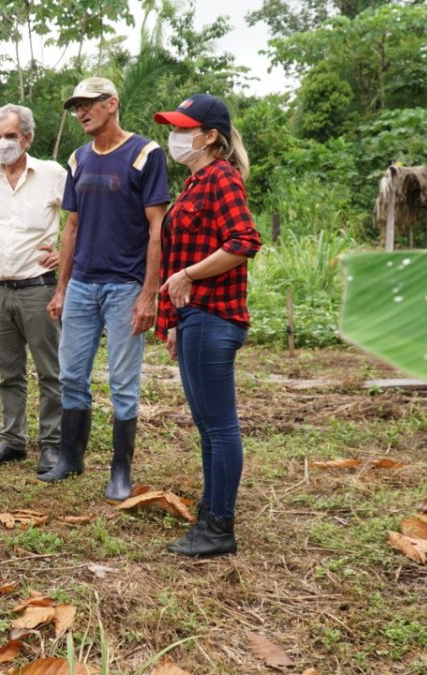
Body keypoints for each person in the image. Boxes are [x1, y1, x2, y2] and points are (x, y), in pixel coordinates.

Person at [40, 77, 171, 502]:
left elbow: (157, 229)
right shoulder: (78, 159)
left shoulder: (144, 154)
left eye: (89, 104)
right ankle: (71, 457)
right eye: (76, 106)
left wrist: (148, 295)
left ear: (112, 104)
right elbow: (71, 227)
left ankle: (120, 470)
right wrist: (61, 289)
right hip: (81, 285)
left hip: (124, 286)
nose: (81, 112)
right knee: (72, 374)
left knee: (122, 381)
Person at [153, 94, 261, 557]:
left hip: (215, 315)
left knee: (219, 427)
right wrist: (176, 320)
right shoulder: (195, 184)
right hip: (196, 318)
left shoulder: (220, 178)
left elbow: (244, 241)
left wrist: (189, 277)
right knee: (209, 426)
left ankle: (219, 526)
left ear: (210, 136)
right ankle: (211, 514)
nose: (176, 137)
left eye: (184, 128)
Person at [0, 104, 66, 475]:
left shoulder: (53, 174)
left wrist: (64, 254)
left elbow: (81, 217)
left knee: (50, 372)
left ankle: (52, 445)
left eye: (10, 136)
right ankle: (13, 441)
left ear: (28, 137)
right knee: (9, 372)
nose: (3, 144)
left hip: (39, 288)